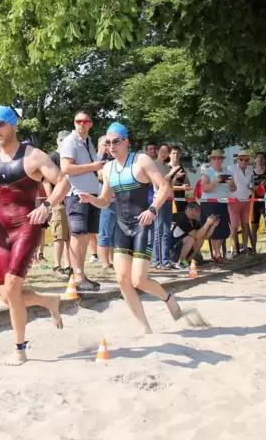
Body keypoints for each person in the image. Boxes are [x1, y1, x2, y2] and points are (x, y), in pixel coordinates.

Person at [81, 122, 207, 335]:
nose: (111, 146)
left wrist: (152, 210)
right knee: (122, 279)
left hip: (142, 226)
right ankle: (144, 326)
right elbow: (105, 200)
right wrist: (91, 200)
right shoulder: (109, 168)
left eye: (116, 141)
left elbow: (164, 186)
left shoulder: (140, 160)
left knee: (139, 280)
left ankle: (168, 298)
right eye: (108, 142)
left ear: (126, 142)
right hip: (122, 227)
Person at [0, 106, 71, 366]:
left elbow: (63, 181)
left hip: (26, 226)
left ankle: (19, 349)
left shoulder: (33, 156)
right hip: (2, 228)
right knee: (7, 296)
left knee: (12, 288)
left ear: (12, 125)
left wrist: (47, 206)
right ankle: (49, 301)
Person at [59, 110, 103, 291]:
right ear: (74, 122)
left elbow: (95, 169)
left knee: (85, 236)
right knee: (77, 236)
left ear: (90, 124)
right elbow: (66, 168)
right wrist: (92, 167)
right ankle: (77, 275)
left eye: (85, 121)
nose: (81, 124)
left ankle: (81, 274)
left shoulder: (88, 141)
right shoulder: (70, 141)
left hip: (91, 194)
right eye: (78, 121)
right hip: (77, 194)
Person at [45, 130, 72, 279]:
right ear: (58, 141)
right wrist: (52, 202)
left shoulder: (69, 158)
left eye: (67, 140)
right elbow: (46, 181)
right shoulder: (52, 158)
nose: (64, 143)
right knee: (59, 236)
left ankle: (69, 265)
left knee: (70, 236)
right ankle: (57, 265)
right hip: (58, 202)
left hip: (71, 200)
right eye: (62, 140)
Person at [199, 150, 231, 262]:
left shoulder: (227, 172)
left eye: (219, 158)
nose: (217, 160)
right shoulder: (207, 172)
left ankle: (218, 254)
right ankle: (216, 254)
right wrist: (215, 182)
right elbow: (204, 189)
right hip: (209, 203)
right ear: (211, 160)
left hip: (223, 202)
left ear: (222, 160)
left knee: (223, 228)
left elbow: (234, 188)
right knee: (213, 227)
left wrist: (231, 184)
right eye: (214, 158)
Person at [170, 202, 217, 268]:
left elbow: (205, 237)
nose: (193, 212)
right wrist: (207, 223)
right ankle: (180, 263)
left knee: (200, 240)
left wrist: (212, 226)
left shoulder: (195, 223)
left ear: (198, 213)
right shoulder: (182, 220)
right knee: (190, 239)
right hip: (173, 253)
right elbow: (196, 235)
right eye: (191, 210)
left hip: (183, 251)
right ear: (186, 211)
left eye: (196, 210)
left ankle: (188, 261)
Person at [226, 150, 255, 255]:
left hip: (246, 200)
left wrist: (253, 188)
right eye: (241, 159)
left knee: (245, 224)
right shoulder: (230, 168)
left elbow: (251, 184)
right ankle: (234, 249)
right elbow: (228, 184)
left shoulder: (250, 170)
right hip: (233, 200)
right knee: (234, 226)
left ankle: (245, 247)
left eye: (246, 160)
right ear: (237, 160)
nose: (244, 162)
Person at [95, 134, 116, 272]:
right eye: (105, 144)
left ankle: (112, 261)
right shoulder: (96, 160)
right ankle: (104, 263)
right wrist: (101, 156)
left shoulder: (112, 160)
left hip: (117, 201)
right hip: (105, 201)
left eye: (109, 144)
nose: (107, 147)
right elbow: (100, 175)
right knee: (105, 233)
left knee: (114, 234)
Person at [250, 152, 266, 252]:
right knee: (254, 226)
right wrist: (258, 187)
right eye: (258, 157)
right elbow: (250, 187)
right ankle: (253, 249)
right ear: (255, 160)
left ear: (264, 160)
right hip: (255, 202)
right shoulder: (251, 172)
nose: (259, 159)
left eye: (262, 158)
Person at [169, 146, 190, 214]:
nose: (176, 155)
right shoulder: (166, 167)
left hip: (182, 198)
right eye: (173, 153)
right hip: (171, 199)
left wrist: (186, 185)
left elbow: (187, 182)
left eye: (177, 153)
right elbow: (167, 187)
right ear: (169, 154)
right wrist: (182, 187)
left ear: (180, 155)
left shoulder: (183, 167)